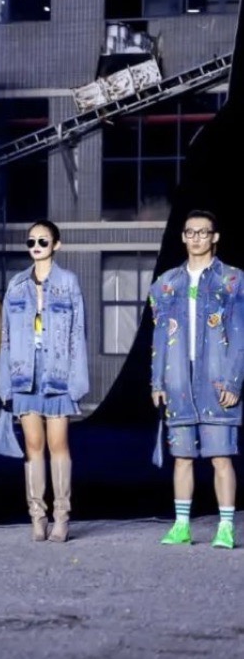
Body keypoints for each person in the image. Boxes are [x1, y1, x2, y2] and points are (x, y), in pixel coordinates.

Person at [150, 210, 244, 549]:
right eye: (190, 232)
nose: (196, 238)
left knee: (221, 456)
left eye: (203, 232)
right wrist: (157, 382)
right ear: (182, 237)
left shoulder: (232, 279)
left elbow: (240, 334)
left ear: (215, 237)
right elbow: (160, 336)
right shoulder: (166, 283)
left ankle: (226, 527)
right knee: (182, 457)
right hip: (178, 379)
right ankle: (181, 526)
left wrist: (234, 381)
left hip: (217, 379)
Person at [0, 220, 88, 542]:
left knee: (58, 445)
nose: (36, 246)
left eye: (43, 241)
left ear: (56, 245)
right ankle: (37, 516)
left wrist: (77, 381)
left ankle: (62, 517)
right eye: (31, 241)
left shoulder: (68, 282)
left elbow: (78, 333)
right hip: (24, 373)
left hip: (58, 374)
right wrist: (5, 384)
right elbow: (6, 337)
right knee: (33, 446)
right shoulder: (16, 284)